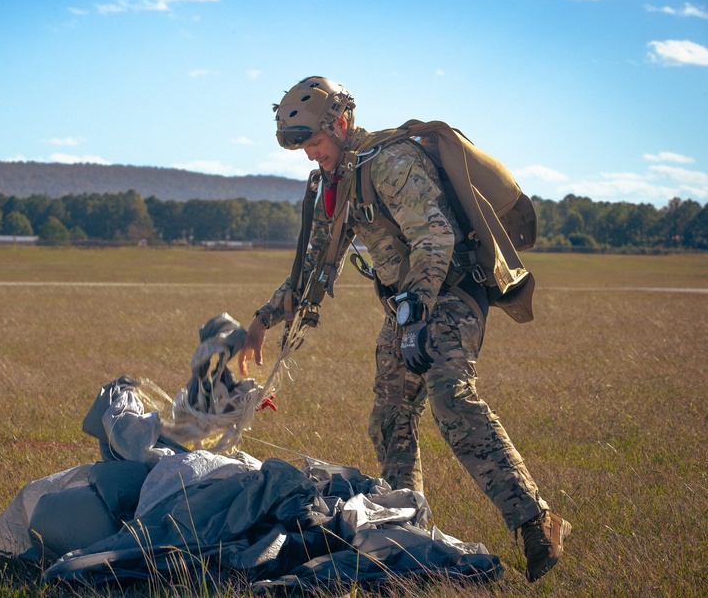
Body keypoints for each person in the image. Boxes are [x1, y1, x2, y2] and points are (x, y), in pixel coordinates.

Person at [236, 76, 570, 583]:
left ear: (341, 125)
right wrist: (262, 320)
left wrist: (415, 313)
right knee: (390, 416)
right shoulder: (340, 183)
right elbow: (313, 270)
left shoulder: (390, 162)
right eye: (302, 147)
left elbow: (435, 236)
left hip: (452, 294)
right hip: (405, 309)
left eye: (315, 143)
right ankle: (402, 532)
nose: (309, 156)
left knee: (450, 395)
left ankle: (536, 519)